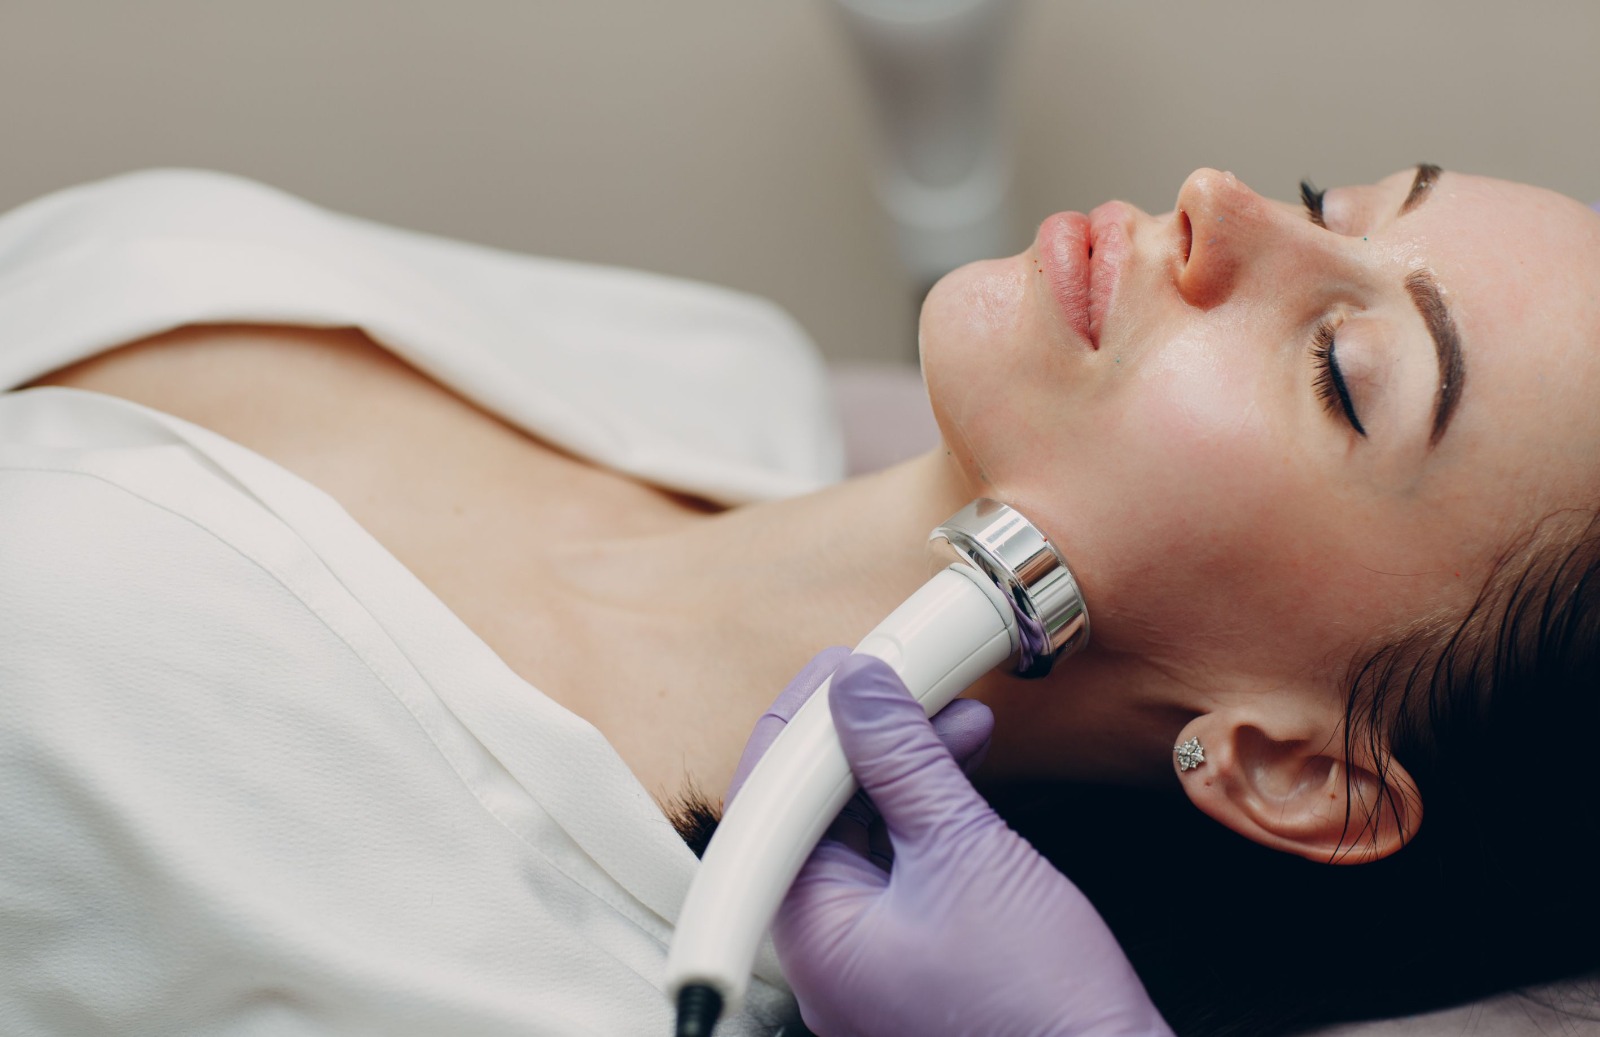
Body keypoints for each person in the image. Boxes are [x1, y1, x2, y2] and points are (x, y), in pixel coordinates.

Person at [0, 161, 1597, 1035]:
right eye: (1330, 202)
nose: (1217, 200)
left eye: (1342, 370)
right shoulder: (717, 361)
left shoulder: (537, 981)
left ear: (1296, 765)